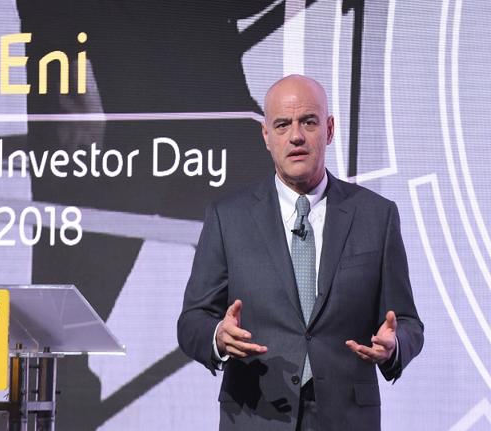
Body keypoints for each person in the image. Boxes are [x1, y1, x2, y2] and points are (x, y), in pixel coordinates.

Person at [177, 75, 424, 431]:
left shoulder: (376, 216)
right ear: (266, 135)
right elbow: (191, 321)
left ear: (329, 129)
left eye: (308, 122)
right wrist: (217, 336)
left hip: (347, 419)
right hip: (256, 415)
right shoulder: (228, 217)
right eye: (282, 125)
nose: (296, 136)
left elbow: (408, 322)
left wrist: (394, 345)